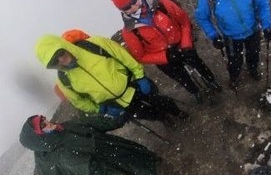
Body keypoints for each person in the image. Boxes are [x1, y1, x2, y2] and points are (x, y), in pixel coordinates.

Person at [19, 114, 180, 175]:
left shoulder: (63, 127)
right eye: (43, 125)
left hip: (111, 145)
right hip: (109, 161)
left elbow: (93, 124)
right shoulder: (63, 156)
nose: (48, 122)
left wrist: (119, 120)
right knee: (139, 168)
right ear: (39, 136)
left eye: (44, 119)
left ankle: (161, 166)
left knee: (140, 152)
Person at [35, 33, 186, 125]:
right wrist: (100, 109)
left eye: (60, 53)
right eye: (54, 61)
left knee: (159, 100)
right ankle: (163, 118)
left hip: (133, 84)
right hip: (116, 103)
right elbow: (78, 101)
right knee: (145, 114)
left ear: (63, 45)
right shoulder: (63, 80)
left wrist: (140, 76)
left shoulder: (94, 44)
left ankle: (177, 112)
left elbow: (123, 56)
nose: (61, 60)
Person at [111, 0, 218, 104]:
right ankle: (195, 91)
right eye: (127, 7)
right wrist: (165, 56)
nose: (133, 7)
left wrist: (185, 43)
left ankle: (211, 80)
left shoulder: (161, 3)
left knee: (198, 64)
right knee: (182, 78)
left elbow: (184, 22)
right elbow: (140, 56)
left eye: (133, 1)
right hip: (165, 60)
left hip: (182, 45)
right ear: (122, 11)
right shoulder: (129, 32)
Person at [194, 0, 271, 89]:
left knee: (254, 54)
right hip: (230, 37)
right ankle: (234, 77)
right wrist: (213, 35)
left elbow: (262, 4)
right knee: (234, 61)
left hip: (253, 30)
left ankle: (252, 70)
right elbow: (202, 17)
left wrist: (267, 26)